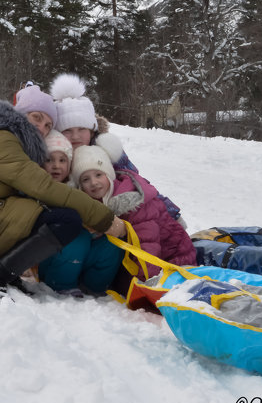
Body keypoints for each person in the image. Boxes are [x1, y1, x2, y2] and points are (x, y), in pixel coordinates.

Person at [0, 84, 125, 296]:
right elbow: (43, 187)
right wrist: (103, 218)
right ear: (20, 114)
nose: (42, 128)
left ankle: (6, 272)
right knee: (65, 219)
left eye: (48, 125)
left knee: (53, 214)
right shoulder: (1, 139)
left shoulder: (14, 143)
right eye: (37, 118)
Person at [50, 73, 183, 221]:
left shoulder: (106, 150)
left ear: (92, 129)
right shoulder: (55, 156)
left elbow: (137, 183)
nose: (75, 136)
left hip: (119, 217)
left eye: (81, 129)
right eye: (67, 130)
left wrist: (170, 213)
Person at [71, 141, 197, 280]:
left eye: (98, 175)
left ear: (109, 175)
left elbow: (148, 245)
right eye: (85, 179)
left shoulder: (132, 201)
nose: (93, 182)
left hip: (173, 257)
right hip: (143, 259)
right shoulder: (95, 203)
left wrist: (147, 282)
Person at [35, 127, 124, 295]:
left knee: (111, 243)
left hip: (78, 258)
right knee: (78, 236)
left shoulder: (79, 187)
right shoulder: (37, 187)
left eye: (62, 160)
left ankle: (94, 287)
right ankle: (61, 285)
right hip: (48, 259)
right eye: (49, 160)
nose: (56, 166)